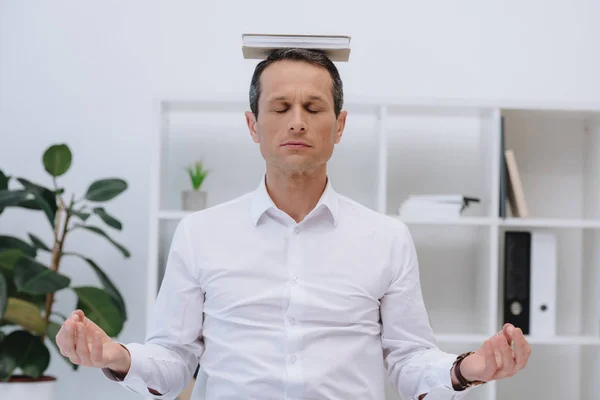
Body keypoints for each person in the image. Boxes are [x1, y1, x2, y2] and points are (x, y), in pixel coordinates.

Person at [56, 48, 531, 400]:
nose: (297, 122)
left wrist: (466, 368)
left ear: (339, 125)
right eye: (281, 109)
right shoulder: (200, 234)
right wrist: (118, 357)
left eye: (314, 108)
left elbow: (408, 362)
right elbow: (175, 362)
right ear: (252, 124)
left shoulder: (386, 238)